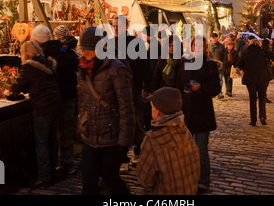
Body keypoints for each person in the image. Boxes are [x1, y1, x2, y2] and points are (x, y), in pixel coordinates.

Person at [77, 26, 135, 195]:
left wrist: (124, 141)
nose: (85, 53)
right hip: (90, 135)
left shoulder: (116, 69)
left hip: (111, 136)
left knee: (110, 177)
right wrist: (81, 125)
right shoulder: (82, 68)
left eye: (89, 50)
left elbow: (127, 107)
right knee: (88, 180)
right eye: (83, 49)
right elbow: (83, 101)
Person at [10, 41, 63, 187]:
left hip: (42, 107)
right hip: (55, 104)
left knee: (42, 143)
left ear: (26, 53)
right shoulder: (47, 63)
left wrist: (12, 89)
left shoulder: (29, 66)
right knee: (52, 140)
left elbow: (19, 85)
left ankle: (45, 177)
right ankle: (53, 171)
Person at [176, 35, 220, 194]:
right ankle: (187, 177)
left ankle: (203, 181)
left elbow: (216, 89)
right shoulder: (185, 62)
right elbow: (178, 83)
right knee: (184, 148)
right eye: (196, 45)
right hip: (186, 110)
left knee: (201, 148)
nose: (198, 48)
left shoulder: (209, 65)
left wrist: (200, 87)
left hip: (202, 112)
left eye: (201, 46)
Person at [137, 87, 200, 195]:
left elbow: (145, 180)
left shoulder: (152, 140)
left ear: (157, 112)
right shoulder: (185, 130)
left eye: (152, 107)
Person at [111, 16, 152, 169]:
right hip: (115, 91)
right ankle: (122, 157)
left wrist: (148, 87)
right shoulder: (109, 43)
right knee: (118, 124)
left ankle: (137, 152)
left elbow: (145, 65)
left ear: (126, 26)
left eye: (118, 26)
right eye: (113, 26)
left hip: (134, 89)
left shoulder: (136, 42)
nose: (115, 29)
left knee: (136, 123)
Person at [43, 25, 80, 177]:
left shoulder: (48, 52)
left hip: (53, 97)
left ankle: (55, 164)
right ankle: (68, 163)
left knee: (54, 133)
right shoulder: (70, 53)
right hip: (69, 96)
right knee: (67, 132)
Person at [237, 39, 269, 126]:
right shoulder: (262, 52)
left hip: (250, 79)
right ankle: (262, 117)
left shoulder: (246, 53)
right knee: (262, 98)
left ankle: (253, 120)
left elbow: (239, 64)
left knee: (252, 98)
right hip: (262, 78)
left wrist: (246, 67)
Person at [209, 32, 227, 99]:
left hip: (219, 66)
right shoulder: (208, 46)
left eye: (215, 38)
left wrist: (223, 65)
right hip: (210, 66)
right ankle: (212, 92)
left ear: (217, 38)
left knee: (220, 80)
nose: (214, 39)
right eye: (213, 38)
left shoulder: (221, 46)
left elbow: (225, 57)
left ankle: (219, 93)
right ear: (211, 38)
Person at [261, 39, 274, 103]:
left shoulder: (260, 49)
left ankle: (261, 95)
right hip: (266, 68)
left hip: (260, 68)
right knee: (265, 84)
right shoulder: (266, 51)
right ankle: (263, 97)